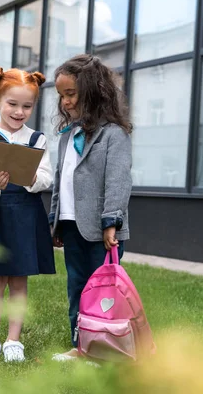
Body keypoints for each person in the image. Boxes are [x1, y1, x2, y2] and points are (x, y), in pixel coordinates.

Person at [0, 67, 55, 363]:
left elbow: (46, 177)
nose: (19, 112)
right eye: (12, 104)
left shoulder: (37, 140)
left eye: (27, 106)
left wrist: (28, 177)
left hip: (25, 216)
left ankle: (13, 340)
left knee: (19, 280)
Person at [48, 54, 133, 361]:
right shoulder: (67, 136)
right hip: (72, 226)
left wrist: (112, 220)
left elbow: (118, 180)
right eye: (62, 96)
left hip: (101, 229)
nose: (66, 102)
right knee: (77, 288)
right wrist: (56, 221)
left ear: (92, 92)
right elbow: (61, 180)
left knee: (103, 293)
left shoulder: (113, 135)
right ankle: (80, 345)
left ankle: (105, 348)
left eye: (71, 94)